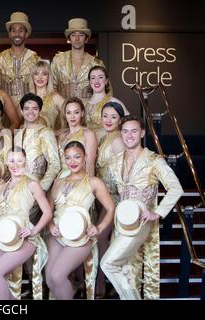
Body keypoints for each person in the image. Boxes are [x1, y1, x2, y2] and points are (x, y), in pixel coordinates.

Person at [101, 115, 183, 300]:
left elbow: (176, 188)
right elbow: (108, 190)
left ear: (142, 133)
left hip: (142, 222)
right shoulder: (115, 161)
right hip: (122, 222)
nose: (129, 135)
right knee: (128, 271)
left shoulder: (154, 160)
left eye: (134, 131)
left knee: (108, 263)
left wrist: (157, 213)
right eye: (125, 131)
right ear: (120, 134)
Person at [46, 141, 114, 299]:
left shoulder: (93, 182)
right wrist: (50, 226)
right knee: (50, 280)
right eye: (68, 158)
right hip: (57, 235)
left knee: (57, 276)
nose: (72, 161)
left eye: (77, 157)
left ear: (85, 157)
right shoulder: (58, 183)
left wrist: (99, 228)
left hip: (81, 237)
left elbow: (111, 208)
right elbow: (48, 211)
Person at [0, 147, 52, 300]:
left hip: (24, 238)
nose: (15, 165)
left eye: (19, 161)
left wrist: (34, 230)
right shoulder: (3, 185)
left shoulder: (32, 184)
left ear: (25, 162)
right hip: (4, 238)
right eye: (11, 161)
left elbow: (48, 212)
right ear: (6, 163)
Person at [94, 101, 126, 298]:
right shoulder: (102, 135)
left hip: (112, 196)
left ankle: (102, 283)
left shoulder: (118, 140)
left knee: (101, 238)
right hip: (100, 194)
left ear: (120, 120)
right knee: (103, 239)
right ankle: (104, 281)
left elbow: (122, 173)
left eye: (114, 117)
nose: (108, 120)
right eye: (105, 116)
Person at [14, 93, 61, 200]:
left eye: (34, 108)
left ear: (40, 111)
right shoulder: (18, 133)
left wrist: (42, 187)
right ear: (21, 111)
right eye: (26, 108)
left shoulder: (46, 132)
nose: (30, 112)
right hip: (17, 186)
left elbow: (55, 164)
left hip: (35, 187)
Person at [51, 18, 107, 99]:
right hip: (63, 109)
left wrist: (89, 91)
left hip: (89, 110)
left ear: (86, 38)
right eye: (73, 35)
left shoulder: (96, 63)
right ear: (69, 38)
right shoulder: (58, 60)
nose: (77, 39)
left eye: (81, 35)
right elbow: (50, 88)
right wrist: (62, 91)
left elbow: (107, 91)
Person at [0, 12, 39, 112]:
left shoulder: (35, 59)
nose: (17, 34)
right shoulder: (0, 59)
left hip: (29, 110)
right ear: (9, 34)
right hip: (5, 110)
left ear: (26, 34)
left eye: (21, 31)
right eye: (13, 31)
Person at [57, 97, 97, 178]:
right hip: (60, 179)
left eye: (76, 112)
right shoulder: (62, 135)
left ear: (82, 113)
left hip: (79, 178)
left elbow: (90, 165)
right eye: (69, 113)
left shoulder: (88, 134)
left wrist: (87, 187)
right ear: (64, 114)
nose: (72, 116)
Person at [85, 66, 128, 139]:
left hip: (107, 144)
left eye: (100, 77)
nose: (96, 81)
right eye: (93, 78)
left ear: (106, 81)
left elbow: (129, 122)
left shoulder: (113, 101)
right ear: (89, 82)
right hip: (88, 144)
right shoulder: (84, 103)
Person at [28, 60, 65, 130]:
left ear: (49, 77)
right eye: (36, 73)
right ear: (32, 76)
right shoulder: (27, 98)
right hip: (31, 139)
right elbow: (17, 121)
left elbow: (71, 114)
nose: (40, 77)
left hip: (50, 138)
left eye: (44, 74)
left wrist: (59, 132)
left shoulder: (55, 97)